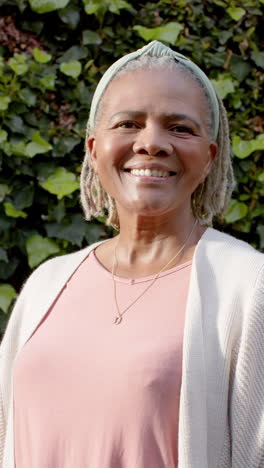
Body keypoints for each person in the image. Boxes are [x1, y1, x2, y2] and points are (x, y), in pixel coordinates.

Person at [0, 40, 263, 468]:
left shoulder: (248, 287)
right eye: (128, 123)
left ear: (211, 157)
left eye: (180, 128)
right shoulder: (48, 284)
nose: (152, 143)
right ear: (94, 148)